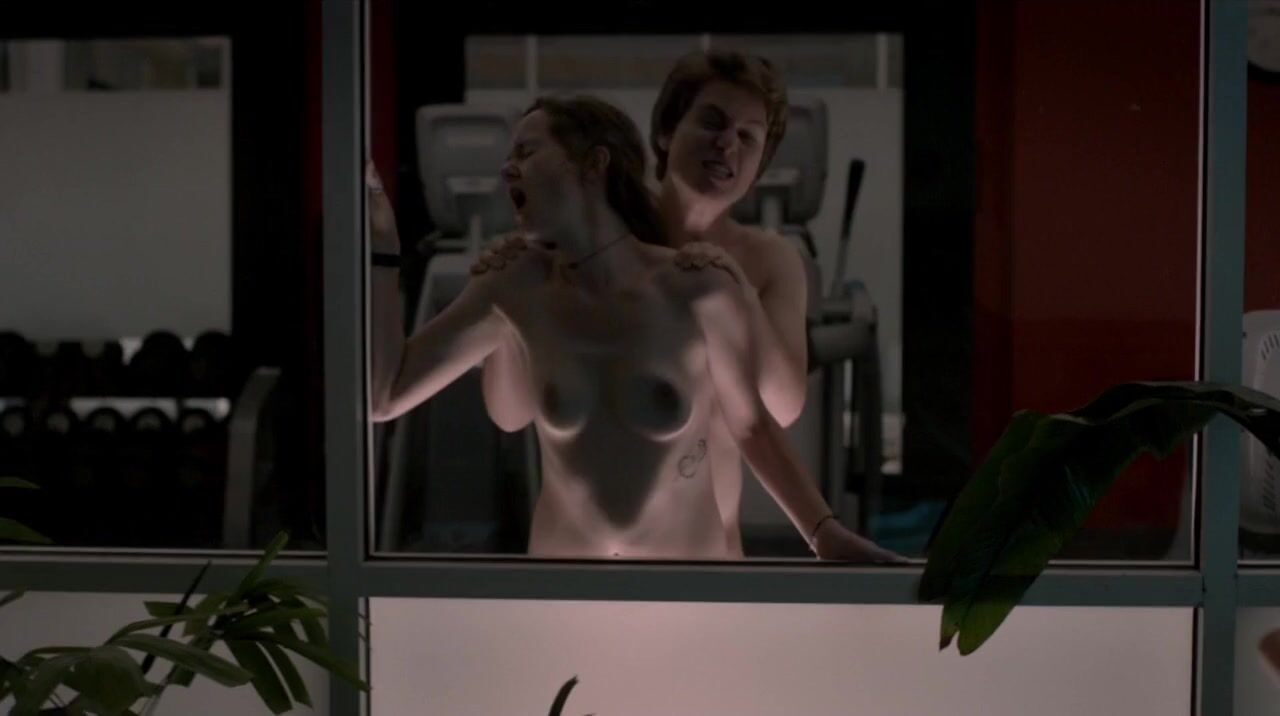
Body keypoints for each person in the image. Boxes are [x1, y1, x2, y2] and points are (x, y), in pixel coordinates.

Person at [370, 94, 898, 562]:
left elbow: (752, 427)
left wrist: (824, 535)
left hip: (683, 591)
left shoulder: (700, 287)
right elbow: (385, 396)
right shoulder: (513, 286)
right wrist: (383, 250)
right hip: (566, 590)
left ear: (593, 163)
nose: (508, 169)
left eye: (527, 152)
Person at [482, 51, 813, 556]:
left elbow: (783, 407)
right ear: (665, 132)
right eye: (712, 122)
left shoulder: (770, 260)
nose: (727, 144)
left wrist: (735, 289)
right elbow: (509, 413)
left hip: (703, 556)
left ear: (760, 164)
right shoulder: (596, 236)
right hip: (580, 555)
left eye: (748, 137)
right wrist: (510, 297)